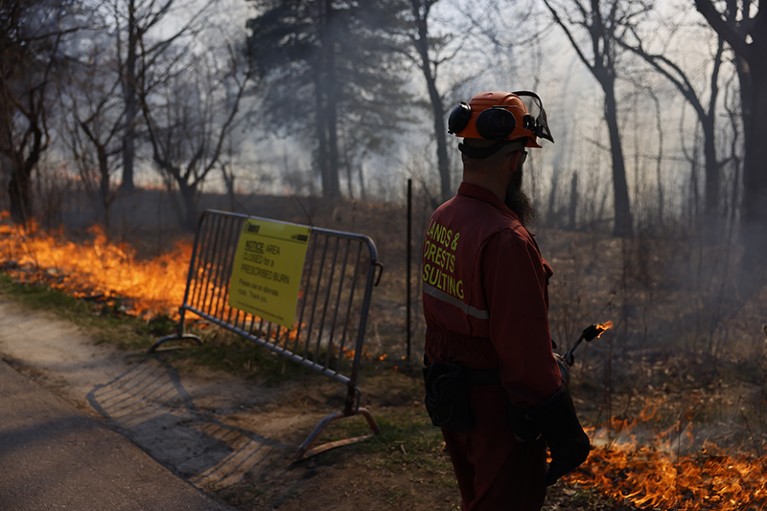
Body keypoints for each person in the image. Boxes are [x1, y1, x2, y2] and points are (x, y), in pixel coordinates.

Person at [421, 90, 590, 510]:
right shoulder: (506, 240)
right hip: (498, 414)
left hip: (454, 401)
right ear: (515, 160)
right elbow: (526, 356)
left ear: (466, 153)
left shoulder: (443, 217)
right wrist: (565, 432)